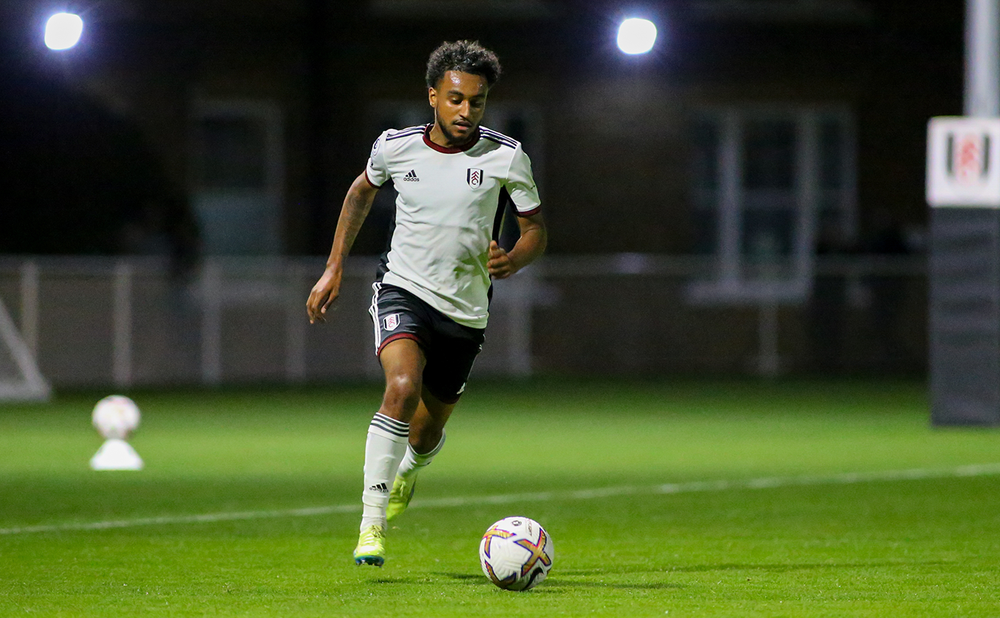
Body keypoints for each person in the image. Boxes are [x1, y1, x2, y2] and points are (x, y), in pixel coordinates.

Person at [305, 40, 547, 567]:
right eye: (456, 99)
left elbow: (535, 231)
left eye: (476, 102)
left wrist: (514, 258)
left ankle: (410, 469)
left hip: (465, 310)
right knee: (401, 386)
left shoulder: (506, 156)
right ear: (433, 96)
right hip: (402, 288)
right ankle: (371, 527)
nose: (466, 112)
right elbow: (360, 193)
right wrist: (334, 266)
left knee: (428, 429)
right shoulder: (396, 147)